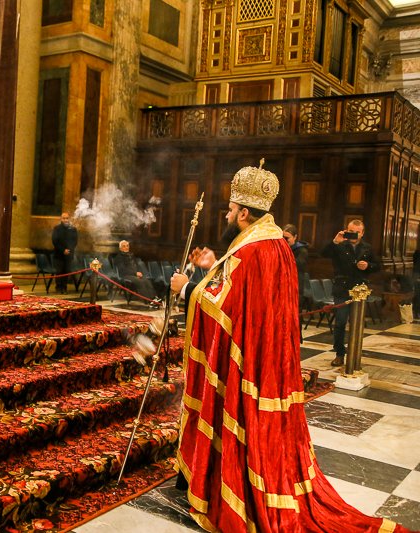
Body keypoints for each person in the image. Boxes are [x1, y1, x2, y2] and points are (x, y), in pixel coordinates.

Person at [169, 162, 405, 532]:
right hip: (272, 361)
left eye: (231, 209)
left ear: (244, 213)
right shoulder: (276, 243)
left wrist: (186, 288)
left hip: (250, 363)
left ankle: (237, 492)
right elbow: (246, 298)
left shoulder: (252, 249)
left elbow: (227, 308)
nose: (227, 215)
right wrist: (214, 267)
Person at [321, 220, 380, 367]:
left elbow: (378, 266)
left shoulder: (367, 248)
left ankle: (355, 353)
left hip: (359, 290)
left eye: (357, 232)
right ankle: (339, 354)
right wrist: (335, 241)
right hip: (342, 288)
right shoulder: (339, 244)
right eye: (351, 231)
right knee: (340, 322)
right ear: (346, 230)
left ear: (362, 233)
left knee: (357, 323)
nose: (354, 234)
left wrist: (368, 266)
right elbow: (323, 254)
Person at [283, 223, 309, 308]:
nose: (284, 240)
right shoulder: (280, 248)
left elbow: (298, 265)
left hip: (295, 285)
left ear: (295, 237)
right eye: (283, 237)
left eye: (287, 238)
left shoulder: (302, 251)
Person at [51, 212, 78, 294]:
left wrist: (69, 249)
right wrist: (63, 250)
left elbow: (75, 241)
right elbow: (55, 241)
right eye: (64, 218)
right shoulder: (57, 228)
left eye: (67, 218)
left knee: (66, 271)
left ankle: (64, 287)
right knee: (59, 271)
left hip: (69, 255)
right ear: (61, 219)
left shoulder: (73, 229)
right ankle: (58, 288)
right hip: (59, 254)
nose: (65, 220)